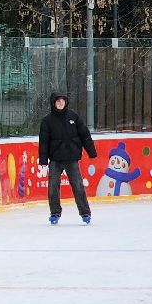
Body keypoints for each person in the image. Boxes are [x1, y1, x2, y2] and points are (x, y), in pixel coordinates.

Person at [38, 91, 96, 225]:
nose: (60, 103)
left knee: (78, 185)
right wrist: (43, 160)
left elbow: (84, 135)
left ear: (66, 102)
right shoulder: (47, 120)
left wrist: (91, 151)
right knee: (53, 187)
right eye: (58, 101)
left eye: (62, 101)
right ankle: (55, 213)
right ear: (53, 103)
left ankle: (85, 213)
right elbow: (44, 142)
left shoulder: (73, 117)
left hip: (71, 158)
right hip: (55, 159)